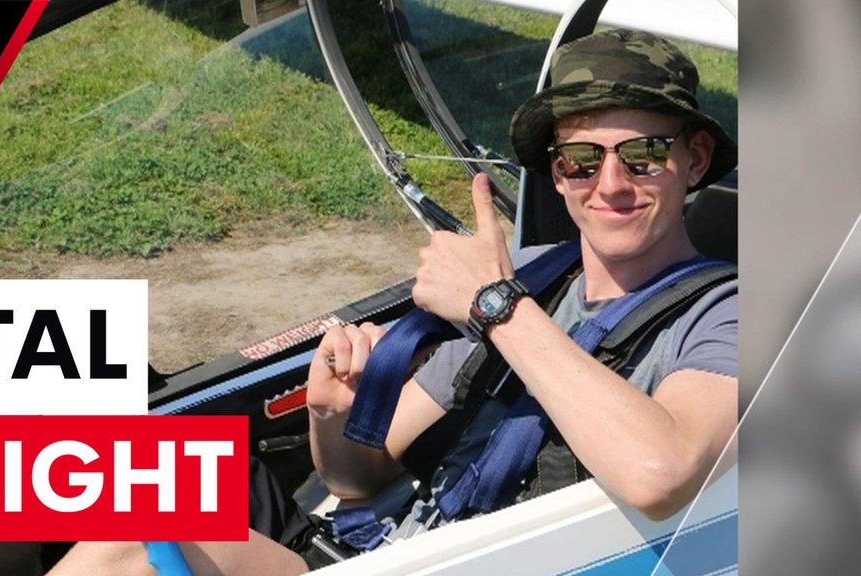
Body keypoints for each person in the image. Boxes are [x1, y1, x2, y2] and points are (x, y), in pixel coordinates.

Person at [47, 27, 738, 575]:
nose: (610, 183)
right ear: (557, 175)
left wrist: (495, 305)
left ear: (697, 160)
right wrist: (334, 415)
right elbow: (357, 476)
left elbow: (661, 474)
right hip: (377, 543)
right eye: (581, 160)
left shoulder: (728, 313)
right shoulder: (533, 275)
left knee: (130, 548)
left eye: (644, 154)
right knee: (97, 458)